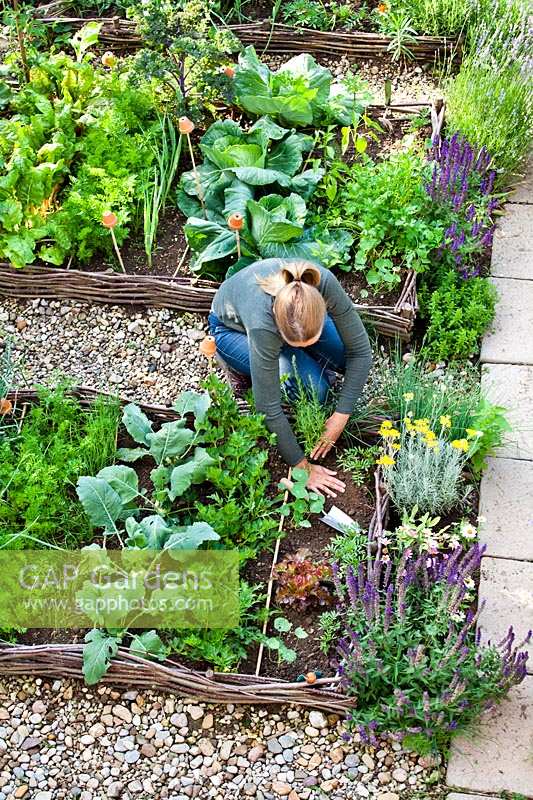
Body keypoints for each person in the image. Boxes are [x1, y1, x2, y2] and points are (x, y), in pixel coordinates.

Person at [208, 258, 372, 497]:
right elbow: (268, 407)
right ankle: (275, 360)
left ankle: (304, 355)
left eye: (310, 341)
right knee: (316, 391)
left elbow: (361, 353)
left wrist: (341, 416)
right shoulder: (263, 326)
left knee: (346, 358)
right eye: (296, 342)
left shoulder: (320, 281)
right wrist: (301, 466)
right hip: (231, 331)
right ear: (280, 332)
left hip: (288, 316)